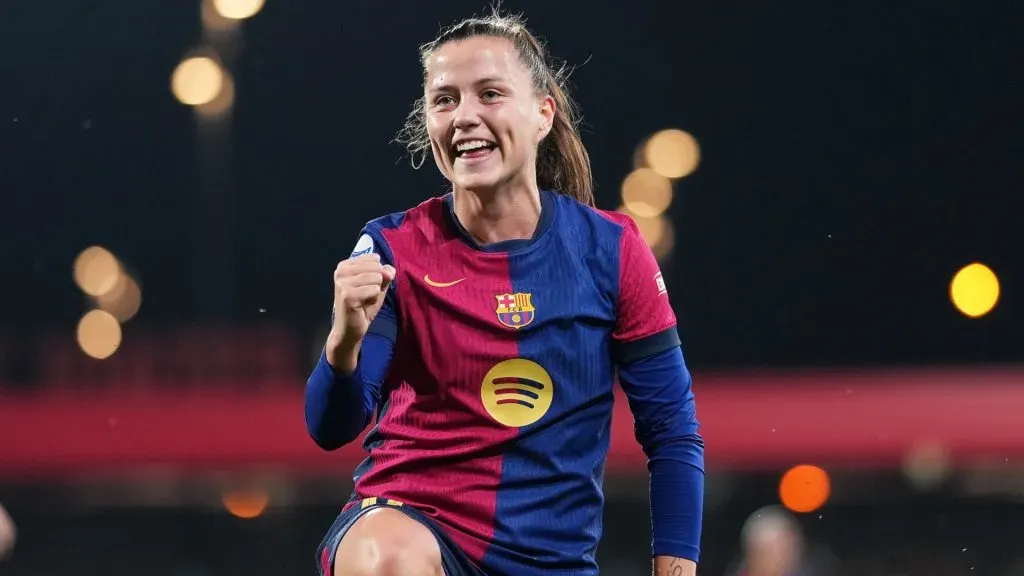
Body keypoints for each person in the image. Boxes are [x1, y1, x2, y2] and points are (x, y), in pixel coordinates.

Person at [305, 9, 704, 576]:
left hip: (553, 562)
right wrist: (343, 342)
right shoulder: (392, 247)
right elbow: (331, 429)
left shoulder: (613, 249)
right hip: (418, 530)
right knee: (384, 558)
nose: (464, 116)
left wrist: (679, 569)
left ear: (543, 115)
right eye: (445, 100)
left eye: (489, 93)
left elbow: (672, 433)